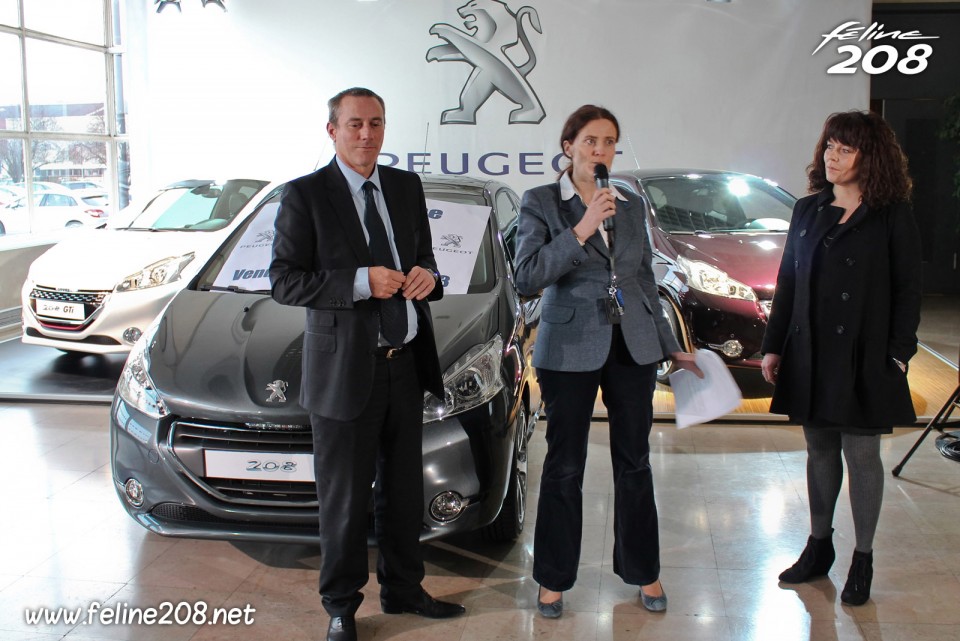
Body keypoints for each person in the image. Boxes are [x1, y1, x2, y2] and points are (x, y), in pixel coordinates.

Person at [270, 87, 464, 641]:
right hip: (342, 373)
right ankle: (341, 607)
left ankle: (404, 589)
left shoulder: (404, 185)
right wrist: (359, 282)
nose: (366, 135)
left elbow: (423, 256)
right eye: (354, 124)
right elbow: (284, 280)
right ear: (331, 130)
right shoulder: (305, 196)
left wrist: (428, 277)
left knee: (403, 493)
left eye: (375, 123)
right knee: (345, 499)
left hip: (404, 364)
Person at [513, 104, 703, 618]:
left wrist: (669, 344)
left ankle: (644, 570)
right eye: (591, 141)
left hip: (633, 346)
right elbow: (528, 275)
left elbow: (643, 280)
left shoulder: (631, 204)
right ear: (568, 145)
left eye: (609, 142)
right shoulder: (541, 202)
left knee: (635, 461)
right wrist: (581, 229)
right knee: (564, 465)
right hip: (568, 347)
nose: (600, 151)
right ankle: (553, 579)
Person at [761, 110, 921, 606]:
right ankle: (819, 546)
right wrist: (772, 344)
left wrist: (897, 355)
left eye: (845, 148)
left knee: (863, 455)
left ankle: (864, 557)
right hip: (810, 348)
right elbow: (787, 281)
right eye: (830, 145)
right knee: (820, 450)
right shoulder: (808, 210)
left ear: (868, 156)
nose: (832, 154)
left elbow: (907, 288)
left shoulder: (892, 213)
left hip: (865, 354)